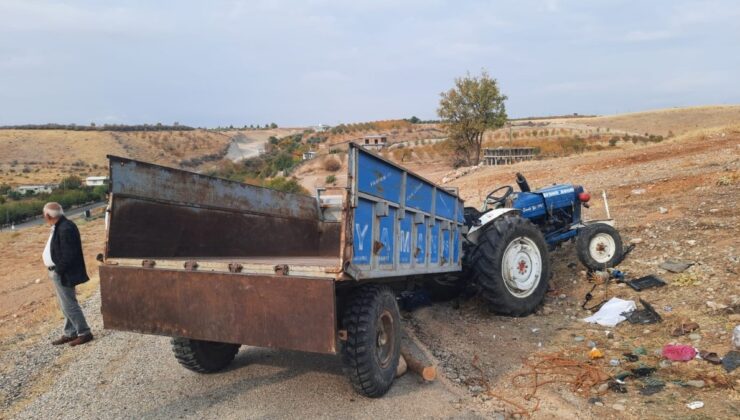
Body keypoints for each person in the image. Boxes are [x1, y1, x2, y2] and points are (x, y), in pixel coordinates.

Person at [42, 202, 93, 346]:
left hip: (63, 273)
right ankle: (70, 333)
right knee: (65, 304)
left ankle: (84, 332)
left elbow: (69, 255)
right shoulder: (61, 226)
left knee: (69, 304)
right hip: (59, 271)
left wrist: (58, 271)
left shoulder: (65, 228)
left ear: (47, 215)